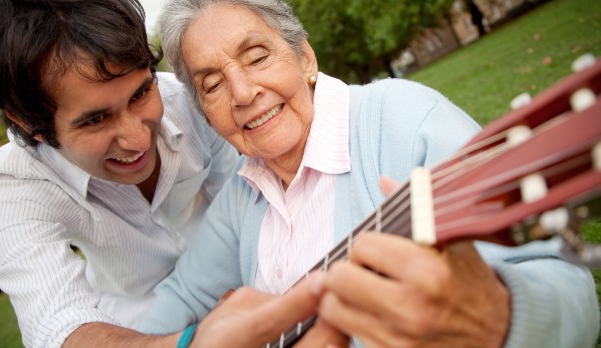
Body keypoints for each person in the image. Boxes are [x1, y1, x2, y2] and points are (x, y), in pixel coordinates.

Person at [138, 0, 600, 347]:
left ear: (304, 58)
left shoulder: (402, 119)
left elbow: (571, 291)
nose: (242, 92)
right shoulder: (244, 189)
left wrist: (499, 318)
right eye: (212, 85)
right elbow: (177, 297)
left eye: (257, 56)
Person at [0, 0, 248, 346]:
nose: (138, 140)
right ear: (30, 124)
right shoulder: (7, 186)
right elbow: (57, 325)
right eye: (95, 119)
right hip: (132, 329)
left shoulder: (190, 99)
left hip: (238, 274)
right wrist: (191, 343)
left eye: (140, 93)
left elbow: (248, 200)